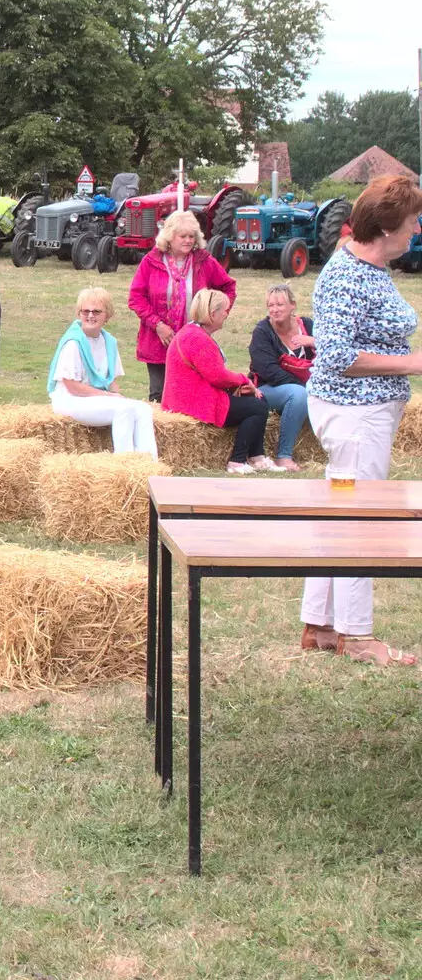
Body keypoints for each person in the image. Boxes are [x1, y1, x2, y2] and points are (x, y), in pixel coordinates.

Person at [299, 174, 422, 666]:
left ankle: (320, 626)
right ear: (387, 227)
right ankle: (358, 635)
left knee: (339, 515)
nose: (416, 230)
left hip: (361, 411)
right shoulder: (349, 274)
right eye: (413, 222)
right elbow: (336, 356)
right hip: (355, 414)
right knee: (361, 520)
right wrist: (414, 363)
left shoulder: (369, 268)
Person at [160, 288, 272, 473]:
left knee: (260, 401)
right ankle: (237, 461)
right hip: (192, 401)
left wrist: (240, 383)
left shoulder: (192, 332)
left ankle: (256, 456)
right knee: (257, 407)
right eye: (225, 310)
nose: (227, 314)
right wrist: (242, 380)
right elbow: (217, 376)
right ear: (213, 314)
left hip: (190, 396)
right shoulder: (197, 338)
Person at [127, 210, 235, 401]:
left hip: (194, 339)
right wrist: (157, 325)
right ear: (170, 237)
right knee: (159, 394)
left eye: (192, 236)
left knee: (193, 392)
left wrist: (217, 314)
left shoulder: (204, 261)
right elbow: (136, 297)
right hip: (159, 340)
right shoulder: (151, 261)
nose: (188, 241)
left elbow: (228, 286)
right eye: (182, 236)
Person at [47, 286, 158, 456]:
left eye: (96, 311)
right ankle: (125, 462)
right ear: (79, 314)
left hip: (95, 399)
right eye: (86, 311)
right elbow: (72, 387)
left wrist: (119, 396)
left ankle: (149, 464)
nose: (90, 315)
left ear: (107, 315)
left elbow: (111, 381)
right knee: (124, 410)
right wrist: (111, 397)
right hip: (70, 400)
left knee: (143, 409)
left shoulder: (109, 342)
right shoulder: (73, 342)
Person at [248, 284, 315, 471]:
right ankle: (284, 456)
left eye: (280, 304)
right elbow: (268, 370)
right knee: (300, 394)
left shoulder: (308, 326)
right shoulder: (262, 331)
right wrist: (305, 386)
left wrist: (314, 341)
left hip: (305, 385)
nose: (275, 310)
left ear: (293, 305)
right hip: (267, 388)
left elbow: (334, 348)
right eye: (271, 305)